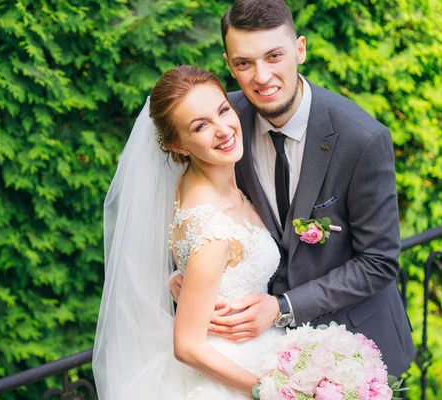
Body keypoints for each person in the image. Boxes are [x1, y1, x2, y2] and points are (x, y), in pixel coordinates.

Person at [169, 0, 415, 377]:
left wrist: (283, 306)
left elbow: (379, 262)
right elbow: (193, 210)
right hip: (261, 355)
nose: (262, 76)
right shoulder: (222, 124)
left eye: (274, 56)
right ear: (229, 64)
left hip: (355, 350)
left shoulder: (362, 139)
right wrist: (183, 276)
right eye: (244, 63)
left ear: (300, 49)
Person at [93, 65, 285, 399]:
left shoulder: (191, 184)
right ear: (178, 145)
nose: (223, 129)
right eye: (201, 126)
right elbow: (187, 345)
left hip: (261, 348)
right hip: (232, 374)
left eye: (223, 110)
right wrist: (267, 389)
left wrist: (178, 279)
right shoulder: (213, 226)